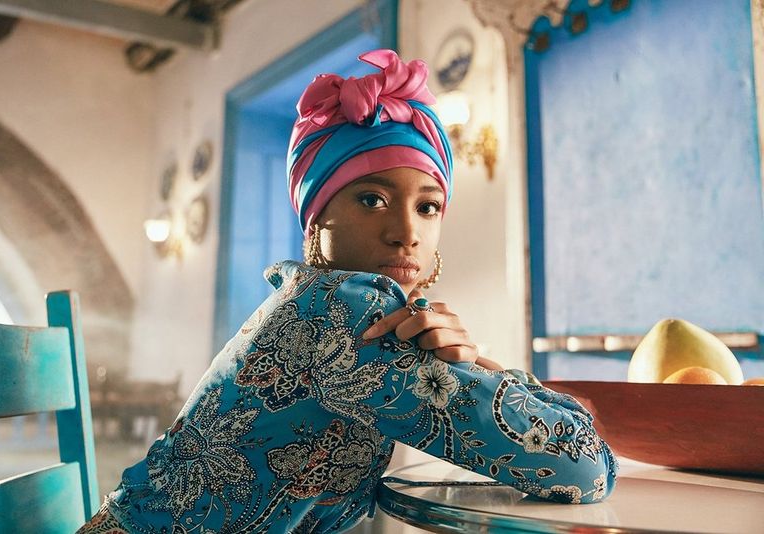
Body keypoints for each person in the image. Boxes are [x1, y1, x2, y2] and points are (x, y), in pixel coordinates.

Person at [79, 49, 617, 534]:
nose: (407, 230)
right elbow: (581, 467)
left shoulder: (315, 298)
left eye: (428, 206)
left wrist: (475, 362)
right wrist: (500, 376)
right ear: (316, 219)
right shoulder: (346, 312)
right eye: (371, 200)